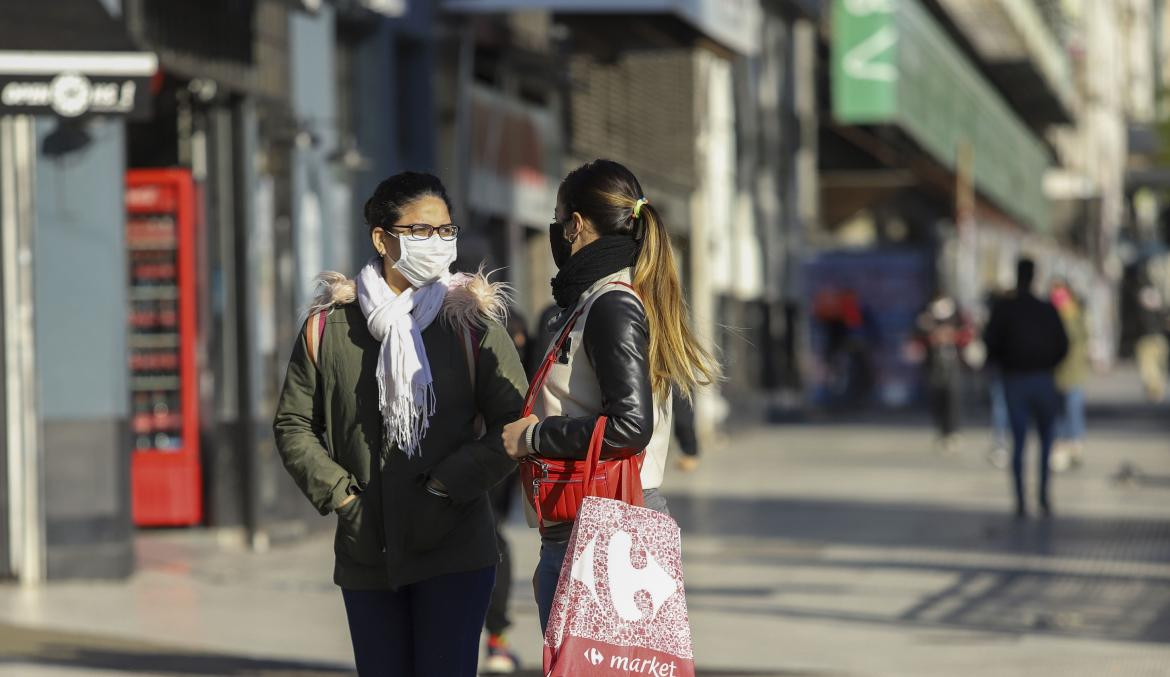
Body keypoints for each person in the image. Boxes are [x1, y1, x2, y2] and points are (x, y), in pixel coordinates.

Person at [273, 172, 527, 677]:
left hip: (454, 545)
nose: (436, 244)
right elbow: (293, 423)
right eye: (419, 231)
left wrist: (444, 486)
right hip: (368, 550)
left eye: (445, 231)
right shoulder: (329, 328)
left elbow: (517, 425)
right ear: (380, 237)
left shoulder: (470, 325)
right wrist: (343, 497)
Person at [499, 159, 719, 632]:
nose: (557, 233)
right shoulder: (598, 301)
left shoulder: (610, 304)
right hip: (586, 525)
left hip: (604, 526)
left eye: (559, 221)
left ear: (576, 225)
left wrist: (536, 437)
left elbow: (630, 426)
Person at [983, 258, 1068, 518]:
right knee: (1045, 442)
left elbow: (990, 341)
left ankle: (1021, 500)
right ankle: (1043, 497)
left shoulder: (1004, 309)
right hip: (1042, 379)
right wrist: (1048, 365)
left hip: (1016, 380)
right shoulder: (1046, 309)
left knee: (1019, 442)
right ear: (1034, 277)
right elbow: (1063, 344)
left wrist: (1004, 365)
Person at [481, 310, 532, 674]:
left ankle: (495, 641)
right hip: (494, 453)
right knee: (493, 545)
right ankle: (496, 641)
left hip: (495, 454)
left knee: (492, 542)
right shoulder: (499, 325)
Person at [915, 292, 971, 454]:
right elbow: (918, 335)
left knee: (953, 398)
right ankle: (941, 431)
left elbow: (966, 334)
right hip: (934, 364)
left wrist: (952, 336)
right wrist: (932, 337)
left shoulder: (957, 315)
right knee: (936, 397)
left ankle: (953, 431)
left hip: (953, 363)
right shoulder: (926, 315)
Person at [1050, 280, 1088, 472]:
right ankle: (1060, 446)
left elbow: (1080, 343)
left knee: (1073, 408)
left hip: (1073, 371)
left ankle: (1074, 445)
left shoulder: (1074, 314)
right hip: (1056, 372)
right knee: (1058, 411)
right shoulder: (1051, 315)